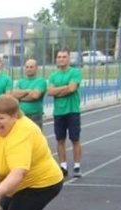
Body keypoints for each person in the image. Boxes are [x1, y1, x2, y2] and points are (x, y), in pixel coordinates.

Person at [46, 49, 82, 177]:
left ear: (68, 58)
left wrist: (58, 90)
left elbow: (72, 88)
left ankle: (77, 166)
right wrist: (65, 88)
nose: (61, 59)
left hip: (72, 110)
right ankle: (63, 166)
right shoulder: (53, 76)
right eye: (59, 57)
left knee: (75, 139)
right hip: (59, 112)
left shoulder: (75, 72)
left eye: (64, 57)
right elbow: (49, 91)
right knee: (60, 140)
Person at [11, 58, 47, 130]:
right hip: (21, 115)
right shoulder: (20, 81)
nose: (28, 69)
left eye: (31, 67)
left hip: (35, 116)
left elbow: (35, 95)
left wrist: (20, 95)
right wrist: (28, 91)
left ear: (36, 68)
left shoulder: (41, 81)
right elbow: (14, 94)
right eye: (27, 67)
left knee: (35, 139)